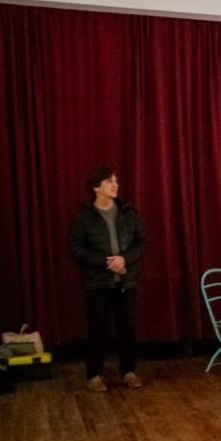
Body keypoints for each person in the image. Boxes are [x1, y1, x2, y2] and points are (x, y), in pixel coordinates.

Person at [68, 166, 149, 392]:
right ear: (96, 187)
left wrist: (124, 259)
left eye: (116, 181)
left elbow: (142, 242)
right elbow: (75, 249)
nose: (115, 185)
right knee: (98, 329)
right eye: (109, 182)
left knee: (127, 327)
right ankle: (94, 374)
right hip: (97, 282)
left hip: (125, 281)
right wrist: (106, 262)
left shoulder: (128, 212)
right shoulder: (83, 216)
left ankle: (129, 371)